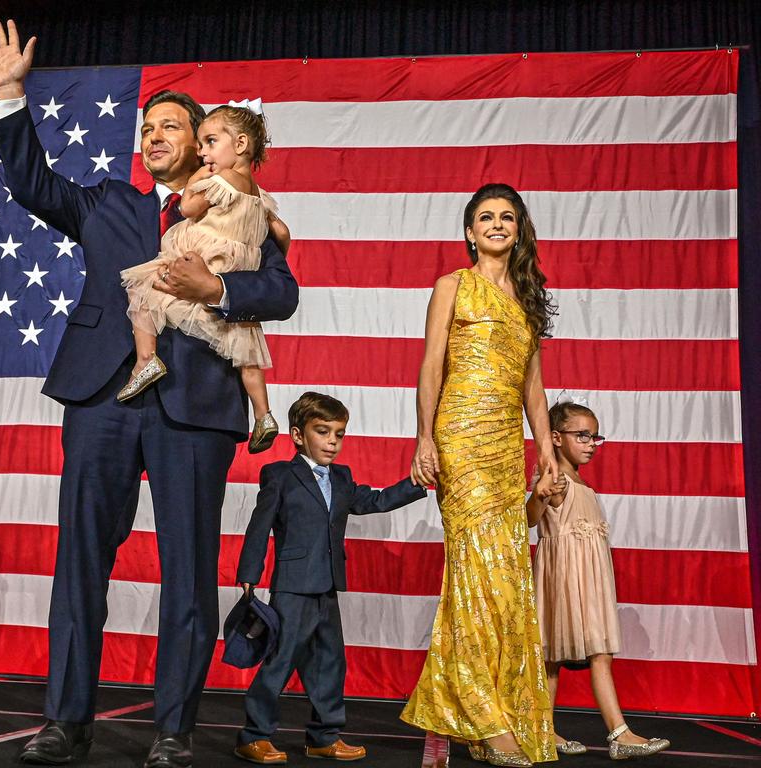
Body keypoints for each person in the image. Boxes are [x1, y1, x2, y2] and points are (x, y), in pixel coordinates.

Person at [0, 19, 299, 768]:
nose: (155, 136)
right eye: (147, 127)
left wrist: (218, 285)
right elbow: (31, 183)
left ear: (204, 141)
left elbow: (280, 293)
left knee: (188, 571)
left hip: (197, 406)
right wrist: (10, 94)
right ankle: (65, 723)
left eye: (172, 127)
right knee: (81, 561)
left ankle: (173, 733)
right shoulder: (108, 205)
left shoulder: (242, 206)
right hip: (103, 398)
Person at [399, 183, 560, 767]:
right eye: (486, 217)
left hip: (503, 448)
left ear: (519, 230)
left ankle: (487, 716)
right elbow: (431, 365)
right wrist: (423, 439)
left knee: (507, 579)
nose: (496, 225)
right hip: (460, 440)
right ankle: (486, 723)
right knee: (474, 570)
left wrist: (545, 451)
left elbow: (533, 389)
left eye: (506, 218)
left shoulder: (527, 297)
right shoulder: (452, 286)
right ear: (469, 232)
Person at [234, 392, 427, 764]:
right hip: (292, 585)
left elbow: (375, 501)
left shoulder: (342, 478)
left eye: (339, 434)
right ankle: (253, 736)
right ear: (297, 434)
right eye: (323, 432)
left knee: (329, 661)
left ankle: (323, 736)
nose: (332, 442)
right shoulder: (279, 475)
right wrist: (249, 574)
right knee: (280, 660)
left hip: (328, 585)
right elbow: (259, 527)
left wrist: (416, 483)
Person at [118, 103, 289, 454]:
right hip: (238, 261)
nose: (203, 152)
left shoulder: (219, 181)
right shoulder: (260, 195)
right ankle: (263, 414)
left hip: (202, 254)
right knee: (247, 351)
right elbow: (281, 231)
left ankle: (146, 359)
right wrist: (255, 254)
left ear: (240, 145)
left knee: (145, 288)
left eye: (209, 142)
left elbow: (189, 209)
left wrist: (196, 182)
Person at [527, 400, 671, 761]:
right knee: (588, 654)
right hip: (567, 575)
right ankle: (618, 733)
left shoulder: (576, 479)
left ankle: (542, 730)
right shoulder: (555, 478)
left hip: (587, 575)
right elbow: (529, 519)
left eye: (595, 436)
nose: (591, 443)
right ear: (556, 438)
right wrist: (539, 494)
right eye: (583, 435)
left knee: (557, 658)